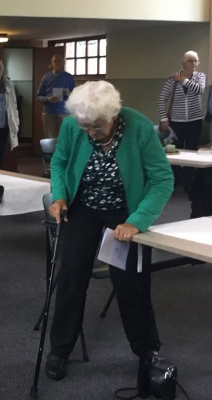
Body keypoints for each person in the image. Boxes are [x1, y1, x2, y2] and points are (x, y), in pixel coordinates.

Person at [43, 81, 174, 381]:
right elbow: (59, 162)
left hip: (124, 210)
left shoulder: (139, 128)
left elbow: (163, 180)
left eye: (96, 126)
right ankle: (59, 350)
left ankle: (147, 351)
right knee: (71, 279)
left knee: (131, 284)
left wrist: (137, 220)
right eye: (85, 126)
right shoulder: (73, 126)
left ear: (114, 115)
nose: (90, 132)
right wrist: (60, 195)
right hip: (83, 207)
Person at [158, 51, 206, 150]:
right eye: (190, 61)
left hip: (195, 121)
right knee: (176, 149)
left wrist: (183, 80)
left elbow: (199, 90)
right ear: (183, 64)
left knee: (192, 149)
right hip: (177, 122)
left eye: (196, 61)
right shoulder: (172, 80)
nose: (193, 63)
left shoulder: (200, 76)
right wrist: (164, 119)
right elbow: (162, 99)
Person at [36, 55, 75, 138]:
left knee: (64, 138)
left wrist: (68, 93)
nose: (57, 63)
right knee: (50, 139)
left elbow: (75, 96)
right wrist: (48, 99)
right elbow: (39, 96)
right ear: (51, 63)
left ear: (63, 63)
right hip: (49, 113)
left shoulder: (69, 77)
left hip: (64, 113)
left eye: (59, 61)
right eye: (55, 61)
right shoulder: (46, 77)